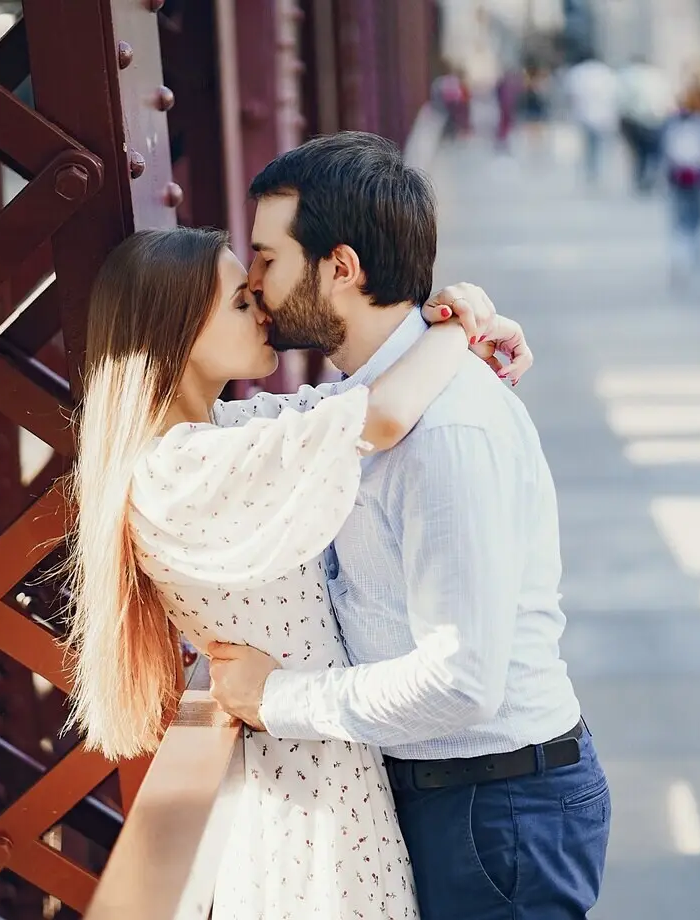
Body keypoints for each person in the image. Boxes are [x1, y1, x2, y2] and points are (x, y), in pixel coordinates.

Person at [64, 221, 531, 919]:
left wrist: (465, 318)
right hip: (307, 782)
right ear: (178, 329)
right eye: (241, 302)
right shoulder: (180, 468)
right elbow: (381, 417)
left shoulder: (221, 435)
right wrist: (455, 332)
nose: (265, 309)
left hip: (317, 758)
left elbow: (358, 401)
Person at [207, 131, 611, 920]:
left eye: (266, 259)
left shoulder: (446, 434)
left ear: (341, 268)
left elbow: (462, 681)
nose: (254, 285)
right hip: (448, 795)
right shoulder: (365, 404)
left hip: (497, 810)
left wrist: (278, 699)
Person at [660, 77, 700, 282]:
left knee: (679, 222)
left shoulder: (671, 123)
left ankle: (680, 257)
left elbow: (662, 150)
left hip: (676, 177)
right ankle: (699, 259)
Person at [563, 55, 620, 187]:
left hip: (585, 115)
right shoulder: (607, 73)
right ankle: (600, 173)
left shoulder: (578, 72)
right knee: (602, 147)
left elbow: (571, 95)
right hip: (604, 117)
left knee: (589, 147)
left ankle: (591, 173)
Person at [617, 55, 671, 193]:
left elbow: (621, 100)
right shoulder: (657, 76)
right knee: (652, 152)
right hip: (654, 119)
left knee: (639, 153)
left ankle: (641, 178)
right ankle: (649, 178)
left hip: (634, 119)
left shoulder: (627, 75)